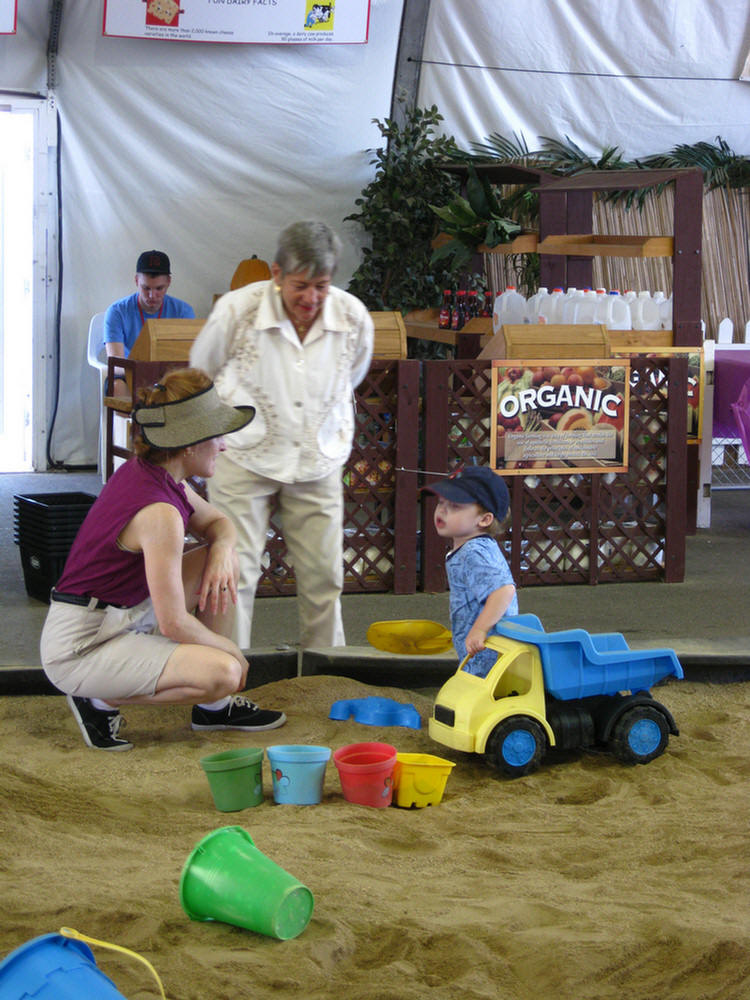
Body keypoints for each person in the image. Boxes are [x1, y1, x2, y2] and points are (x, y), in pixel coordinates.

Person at [40, 368, 286, 751]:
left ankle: (213, 710)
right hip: (80, 644)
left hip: (119, 613)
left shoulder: (158, 473)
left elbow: (220, 524)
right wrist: (231, 652)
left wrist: (222, 549)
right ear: (189, 444)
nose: (224, 445)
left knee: (217, 561)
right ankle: (96, 699)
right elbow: (173, 623)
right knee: (226, 672)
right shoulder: (161, 514)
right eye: (217, 435)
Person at [190, 220, 374, 650]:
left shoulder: (353, 318)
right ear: (276, 274)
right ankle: (225, 680)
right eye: (301, 285)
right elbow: (202, 370)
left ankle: (327, 675)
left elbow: (353, 374)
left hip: (318, 459)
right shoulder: (237, 310)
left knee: (325, 576)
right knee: (233, 573)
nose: (311, 298)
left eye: (322, 286)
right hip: (241, 455)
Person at [427, 465, 519, 677]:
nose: (442, 510)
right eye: (441, 502)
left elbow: (504, 591)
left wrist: (479, 630)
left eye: (455, 506)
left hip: (488, 654)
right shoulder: (471, 547)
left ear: (485, 519)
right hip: (481, 651)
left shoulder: (474, 552)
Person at [104, 250, 196, 397]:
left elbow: (187, 360)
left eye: (159, 288)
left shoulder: (183, 311)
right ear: (136, 281)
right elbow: (116, 364)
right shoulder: (117, 312)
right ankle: (137, 419)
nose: (152, 296)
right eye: (146, 288)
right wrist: (145, 370)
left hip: (169, 379)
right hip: (131, 375)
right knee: (117, 386)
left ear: (168, 282)